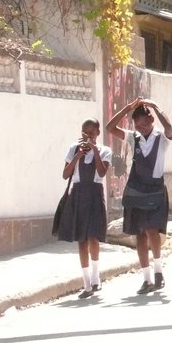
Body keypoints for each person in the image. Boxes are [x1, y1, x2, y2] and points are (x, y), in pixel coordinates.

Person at [106, 97, 172, 295]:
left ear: (152, 120)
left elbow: (169, 127)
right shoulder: (133, 137)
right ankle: (146, 278)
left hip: (155, 189)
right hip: (137, 191)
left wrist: (156, 106)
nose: (142, 127)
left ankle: (159, 271)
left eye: (145, 123)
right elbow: (111, 127)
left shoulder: (161, 139)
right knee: (139, 234)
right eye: (138, 125)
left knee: (153, 231)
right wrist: (127, 108)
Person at [57, 119, 112, 299]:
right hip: (78, 194)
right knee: (81, 239)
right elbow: (66, 174)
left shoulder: (104, 151)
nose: (87, 136)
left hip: (94, 194)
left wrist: (94, 150)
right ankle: (86, 282)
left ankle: (96, 276)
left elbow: (102, 172)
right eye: (84, 132)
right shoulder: (74, 149)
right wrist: (78, 156)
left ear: (97, 133)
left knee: (93, 237)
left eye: (91, 132)